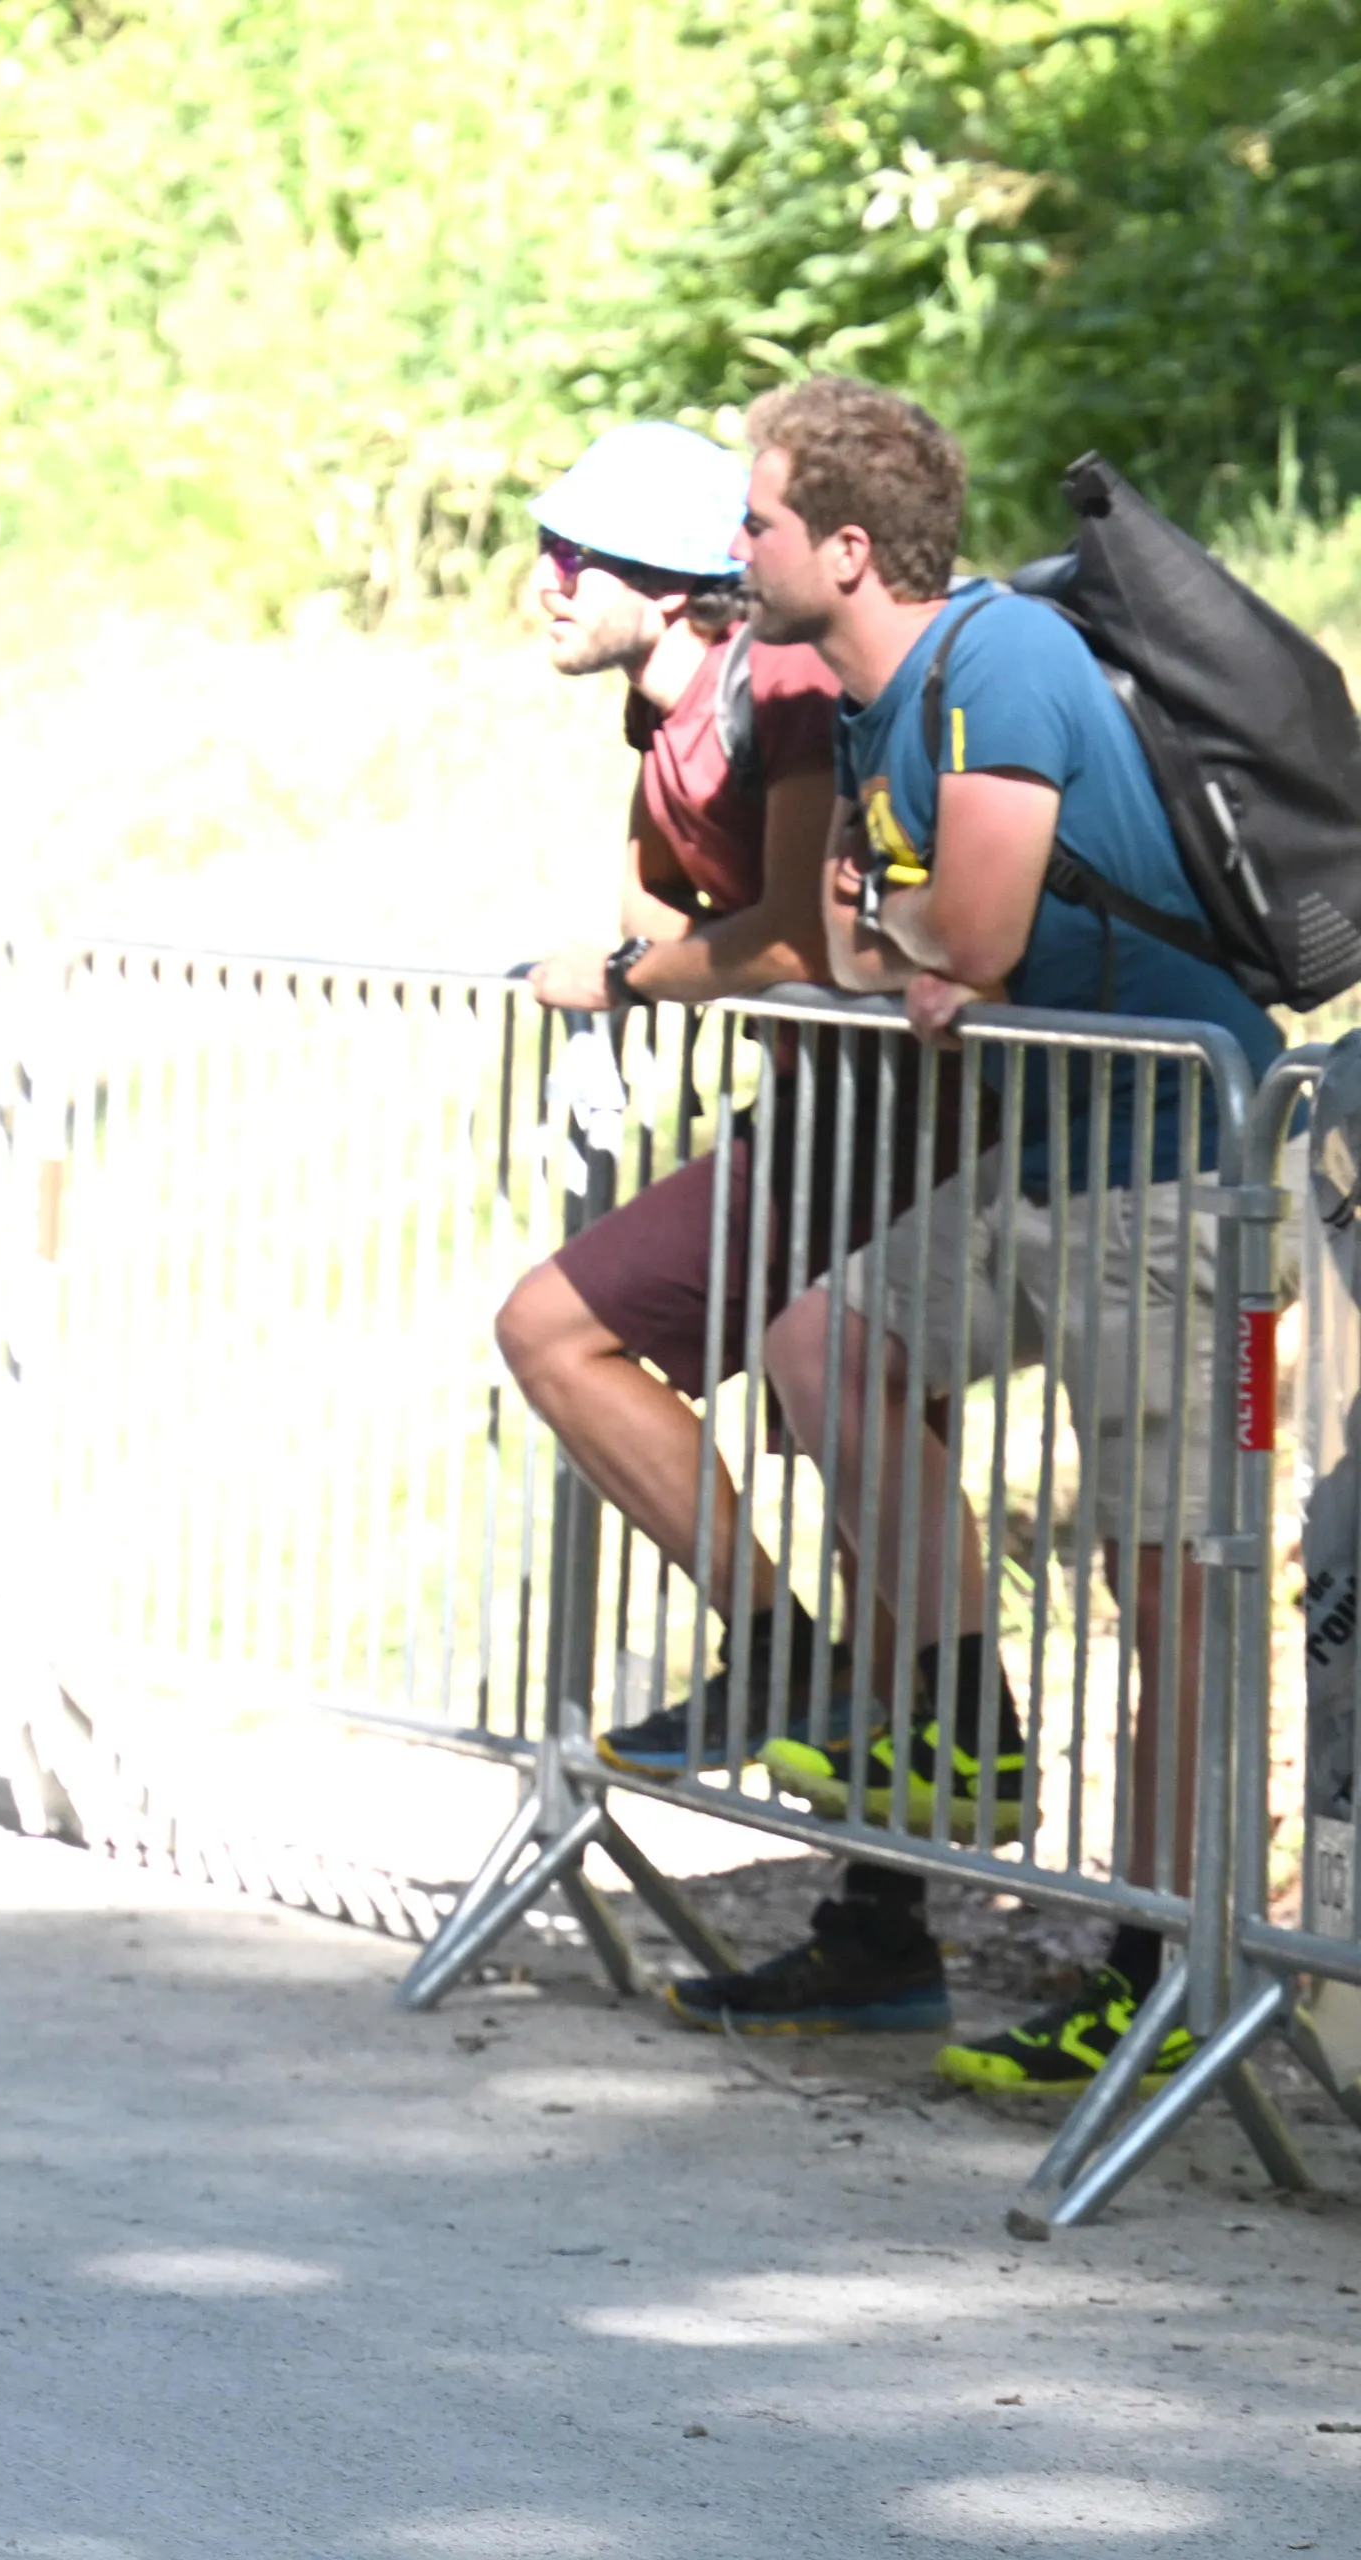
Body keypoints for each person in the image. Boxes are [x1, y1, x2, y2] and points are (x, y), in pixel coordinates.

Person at [731, 376, 1276, 2096]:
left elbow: (966, 926)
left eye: (751, 522)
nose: (731, 550)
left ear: (846, 546)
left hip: (1183, 1166)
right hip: (1050, 1157)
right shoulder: (890, 705)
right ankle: (970, 1725)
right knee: (823, 1345)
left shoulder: (1004, 660)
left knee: (1170, 1581)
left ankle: (1164, 1971)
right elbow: (876, 954)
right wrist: (912, 948)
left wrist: (910, 941)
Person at [473, 424, 969, 2033]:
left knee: (554, 1326)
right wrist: (636, 960)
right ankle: (880, 1928)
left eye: (577, 560)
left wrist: (619, 988)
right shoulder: (676, 705)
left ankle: (780, 1662)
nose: (542, 586)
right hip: (822, 1122)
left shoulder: (789, 693)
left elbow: (798, 948)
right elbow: (659, 899)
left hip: (890, 1128)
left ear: (682, 583)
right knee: (876, 1510)